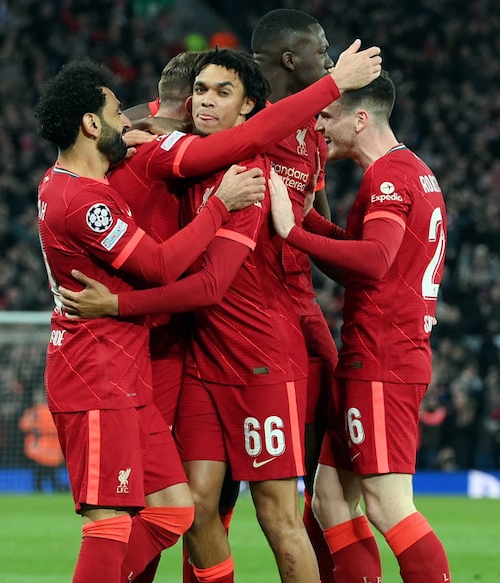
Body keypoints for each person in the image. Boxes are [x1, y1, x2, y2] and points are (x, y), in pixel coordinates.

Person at [105, 41, 381, 583]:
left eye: (223, 92)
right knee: (196, 505)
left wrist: (117, 304)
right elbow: (152, 111)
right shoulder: (185, 154)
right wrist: (129, 132)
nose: (206, 101)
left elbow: (210, 285)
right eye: (201, 91)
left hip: (259, 361)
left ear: (249, 107)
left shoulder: (250, 176)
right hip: (202, 361)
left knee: (277, 515)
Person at [34, 59, 262, 583]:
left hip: (126, 377)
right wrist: (219, 207)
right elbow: (159, 267)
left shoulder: (74, 183)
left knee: (172, 509)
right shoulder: (81, 200)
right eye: (119, 112)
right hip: (93, 375)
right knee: (108, 524)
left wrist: (143, 141)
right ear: (92, 125)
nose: (132, 121)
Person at [270, 71, 451, 583]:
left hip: (383, 358)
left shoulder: (387, 177)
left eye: (329, 116)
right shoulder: (414, 171)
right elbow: (358, 261)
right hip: (373, 355)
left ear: (361, 118)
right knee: (329, 498)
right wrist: (308, 222)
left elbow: (373, 260)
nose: (321, 124)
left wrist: (290, 232)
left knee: (388, 504)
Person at [252, 9, 344, 579]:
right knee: (225, 495)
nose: (330, 56)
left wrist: (374, 266)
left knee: (340, 444)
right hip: (252, 319)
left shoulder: (313, 132)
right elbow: (163, 111)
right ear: (292, 59)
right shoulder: (242, 119)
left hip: (301, 309)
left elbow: (320, 227)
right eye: (323, 48)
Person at [20, 391, 64, 493]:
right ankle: (56, 490)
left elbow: (24, 425)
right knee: (51, 474)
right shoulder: (56, 410)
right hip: (53, 448)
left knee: (40, 474)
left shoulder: (35, 412)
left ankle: (40, 491)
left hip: (39, 449)